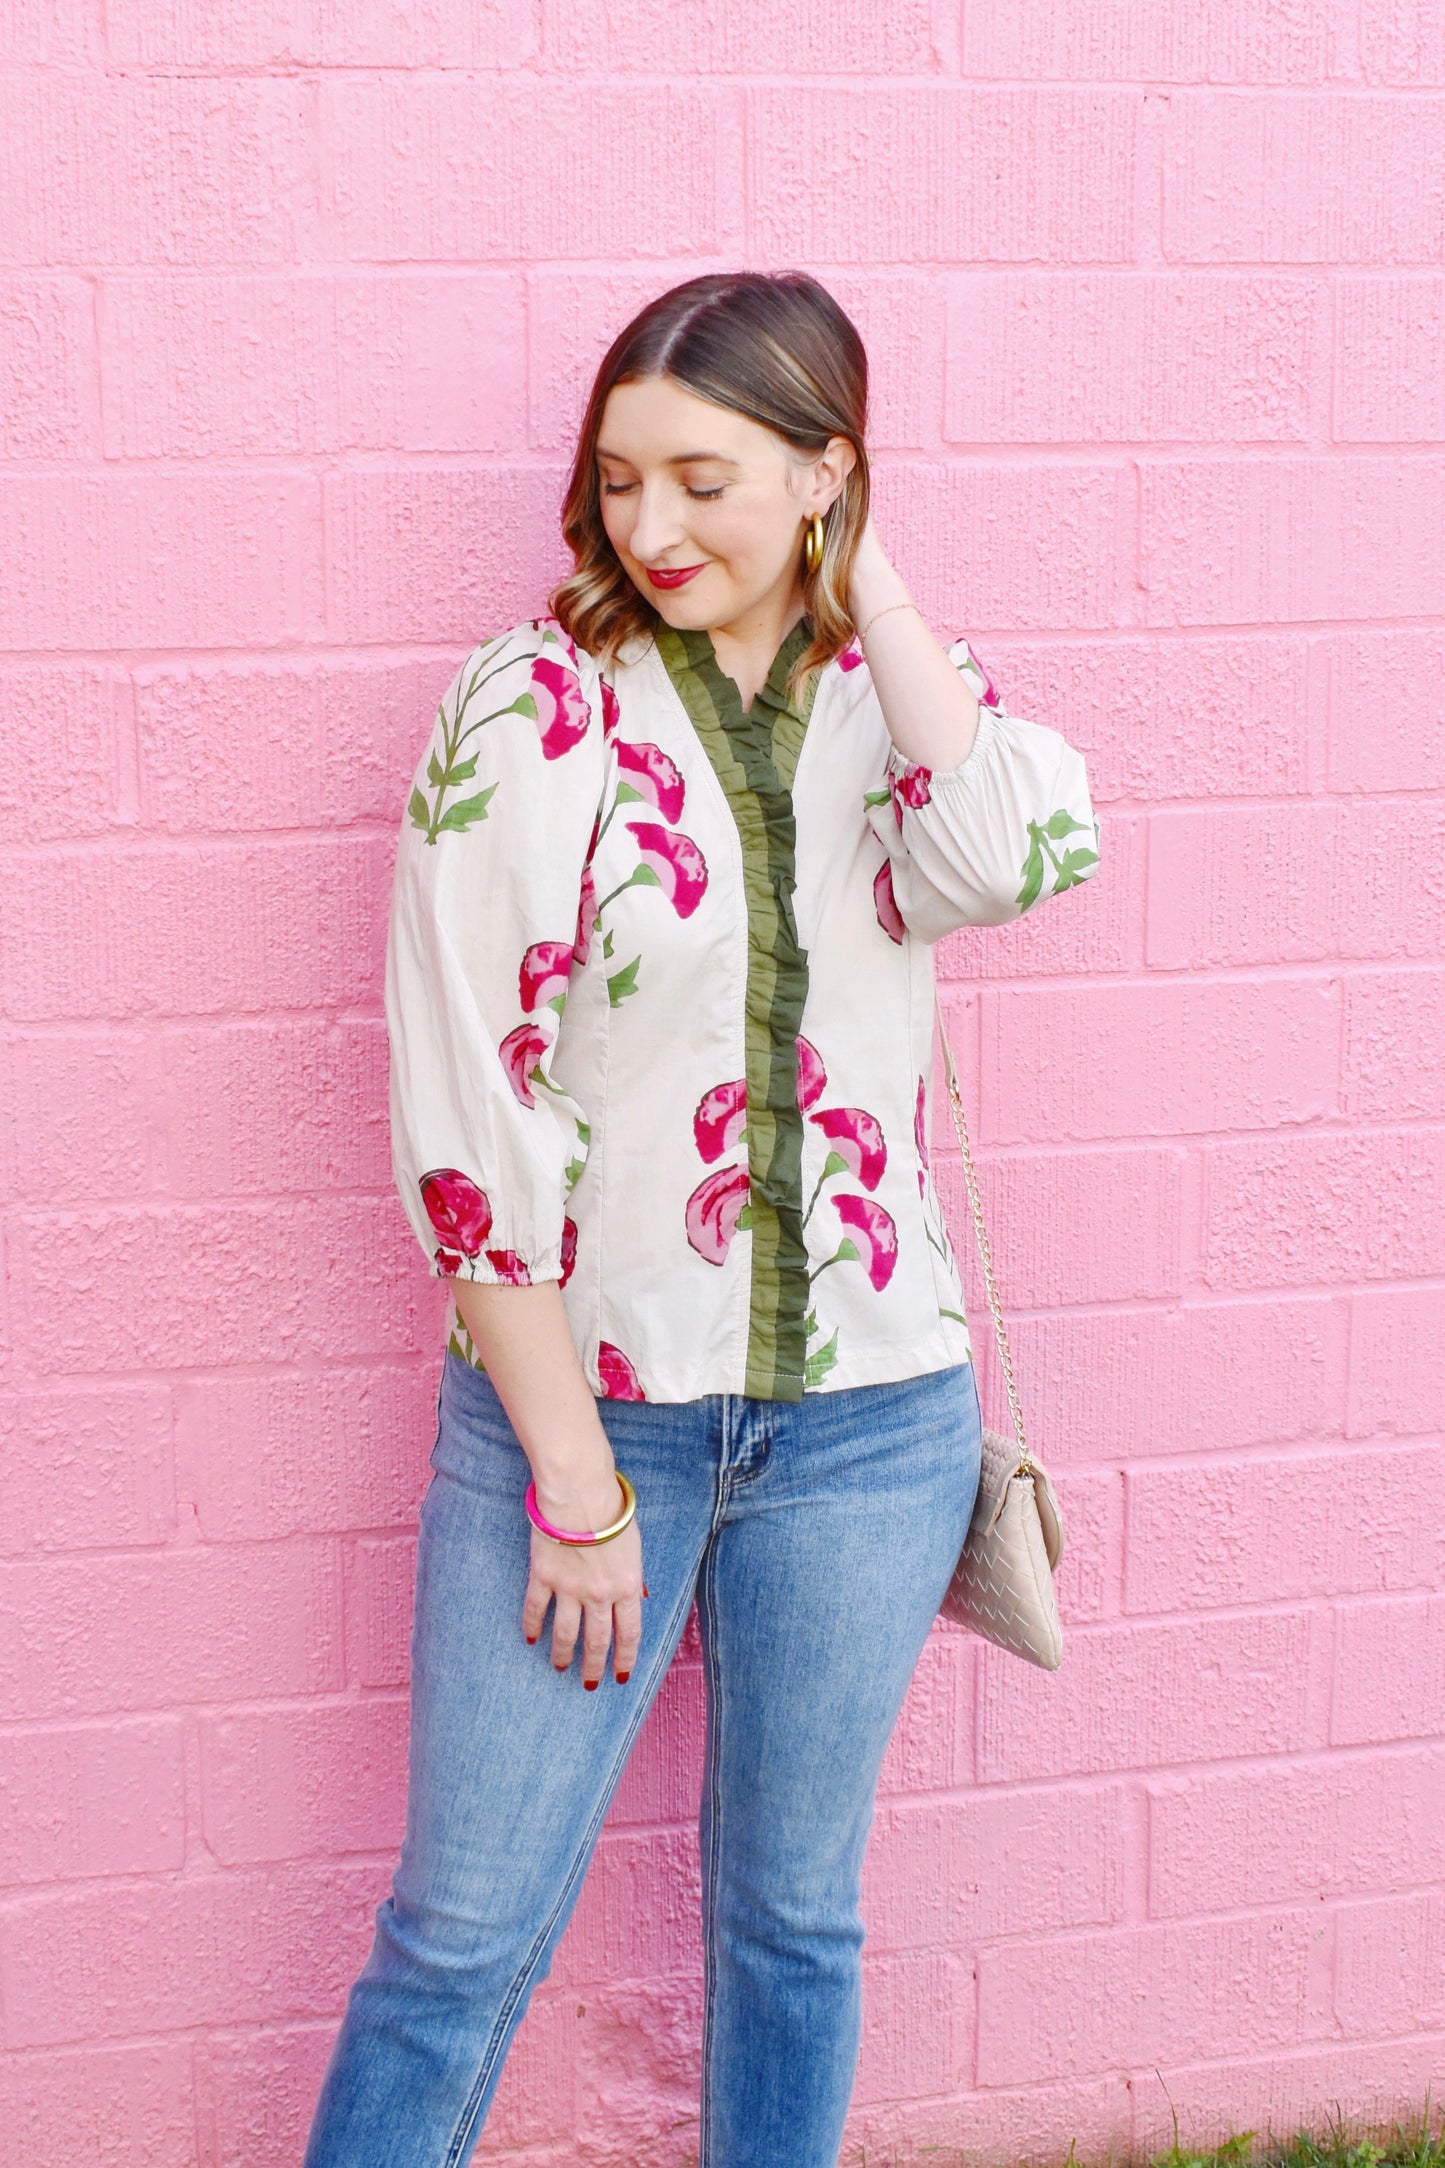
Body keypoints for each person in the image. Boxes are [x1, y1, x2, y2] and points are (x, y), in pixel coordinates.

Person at [302, 270, 1101, 2168]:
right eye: (618, 479)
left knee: (793, 1929)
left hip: (873, 1428)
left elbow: (1008, 855)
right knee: (462, 1938)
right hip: (585, 1426)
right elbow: (466, 1119)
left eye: (707, 479)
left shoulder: (900, 713)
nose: (649, 527)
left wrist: (873, 585)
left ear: (828, 475)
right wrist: (573, 1478)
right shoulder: (531, 710)